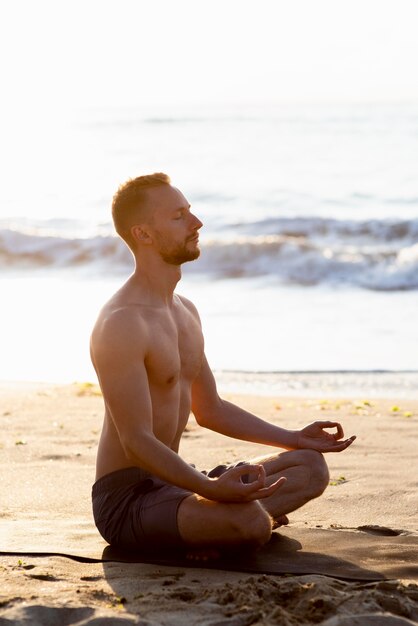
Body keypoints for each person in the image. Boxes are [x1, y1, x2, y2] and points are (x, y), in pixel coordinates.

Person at [90, 172, 355, 554]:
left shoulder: (185, 312)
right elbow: (136, 442)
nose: (197, 224)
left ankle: (217, 523)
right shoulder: (122, 323)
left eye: (191, 212)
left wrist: (293, 437)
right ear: (143, 234)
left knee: (310, 466)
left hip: (178, 483)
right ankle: (230, 521)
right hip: (129, 501)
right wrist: (211, 489)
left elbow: (210, 409)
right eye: (179, 216)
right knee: (249, 522)